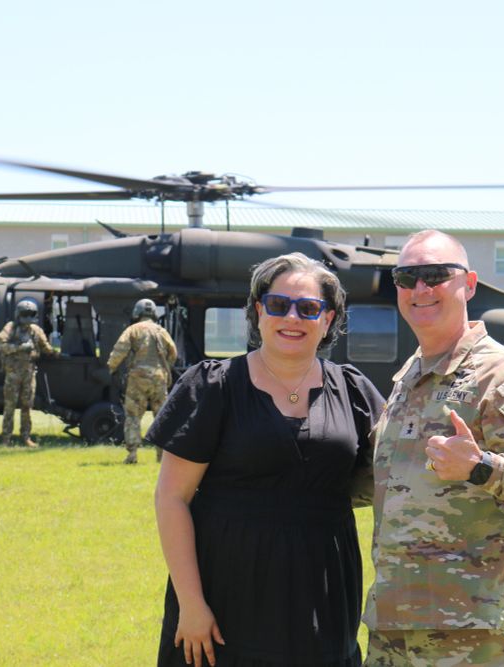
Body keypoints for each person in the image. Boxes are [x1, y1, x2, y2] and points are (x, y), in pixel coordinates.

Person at [151, 252, 384, 667]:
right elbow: (172, 498)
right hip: (225, 592)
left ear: (327, 320)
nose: (291, 318)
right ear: (259, 312)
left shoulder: (354, 391)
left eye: (308, 308)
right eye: (278, 305)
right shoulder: (213, 387)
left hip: (323, 593)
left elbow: (402, 472)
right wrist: (191, 603)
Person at [363, 230, 504, 666]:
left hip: (472, 627)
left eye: (436, 275)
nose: (421, 288)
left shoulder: (502, 377)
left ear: (469, 284)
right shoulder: (409, 378)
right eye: (407, 277)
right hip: (393, 621)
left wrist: (480, 467)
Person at [107, 298, 178, 464]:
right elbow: (173, 353)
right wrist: (164, 367)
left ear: (137, 313)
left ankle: (132, 455)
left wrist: (111, 367)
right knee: (161, 417)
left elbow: (119, 350)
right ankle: (162, 456)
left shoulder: (133, 330)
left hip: (137, 379)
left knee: (132, 416)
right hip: (159, 379)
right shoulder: (161, 331)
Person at [0, 299, 57, 447]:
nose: (28, 318)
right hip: (13, 373)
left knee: (27, 406)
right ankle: (6, 438)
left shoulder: (35, 330)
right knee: (9, 406)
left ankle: (26, 436)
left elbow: (45, 346)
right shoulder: (10, 328)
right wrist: (20, 348)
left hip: (29, 374)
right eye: (25, 314)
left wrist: (56, 354)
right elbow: (2, 346)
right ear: (18, 314)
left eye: (31, 314)